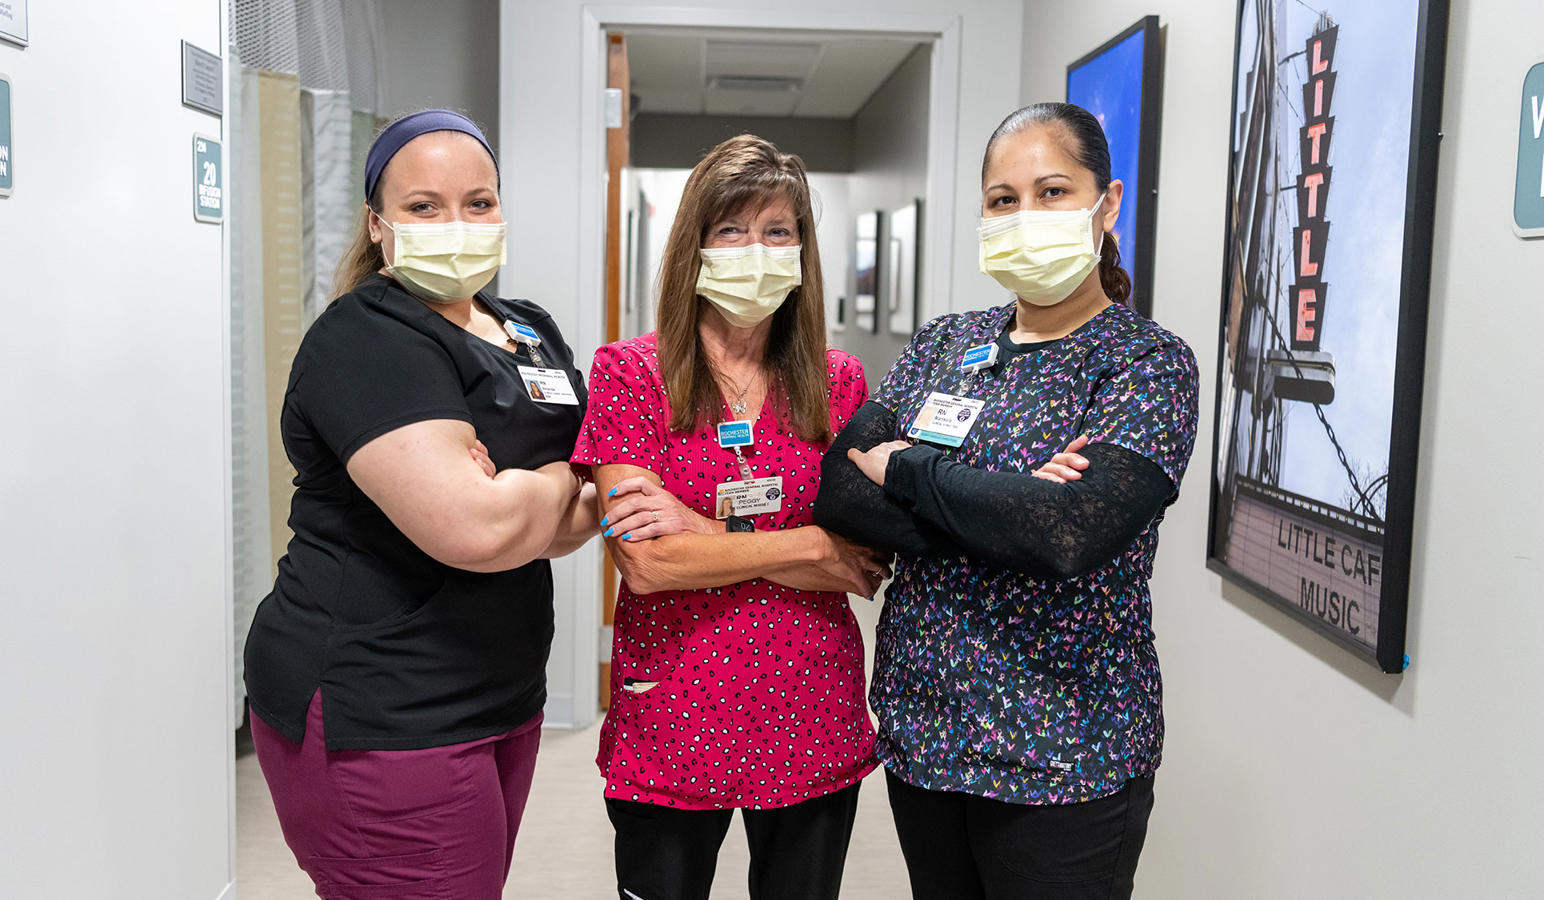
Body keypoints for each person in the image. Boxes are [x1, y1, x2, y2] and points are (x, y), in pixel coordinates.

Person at [814, 102, 1200, 899]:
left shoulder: (1145, 366)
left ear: (1108, 202)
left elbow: (1068, 534)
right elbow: (842, 488)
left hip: (1064, 751)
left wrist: (914, 474)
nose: (1025, 215)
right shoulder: (946, 344)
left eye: (1053, 191)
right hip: (926, 729)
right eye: (1003, 199)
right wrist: (1005, 510)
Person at [242, 109, 599, 899]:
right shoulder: (366, 338)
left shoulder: (526, 328)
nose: (457, 223)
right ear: (378, 224)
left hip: (500, 685)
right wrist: (559, 482)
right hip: (381, 699)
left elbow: (584, 506)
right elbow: (478, 528)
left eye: (478, 202)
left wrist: (523, 487)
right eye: (423, 206)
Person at [571, 134, 888, 900]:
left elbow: (863, 564)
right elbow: (647, 563)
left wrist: (704, 528)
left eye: (779, 231)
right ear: (695, 247)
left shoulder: (839, 382)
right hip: (674, 702)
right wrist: (811, 543)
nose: (758, 249)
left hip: (811, 704)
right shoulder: (629, 372)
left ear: (804, 250)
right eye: (732, 230)